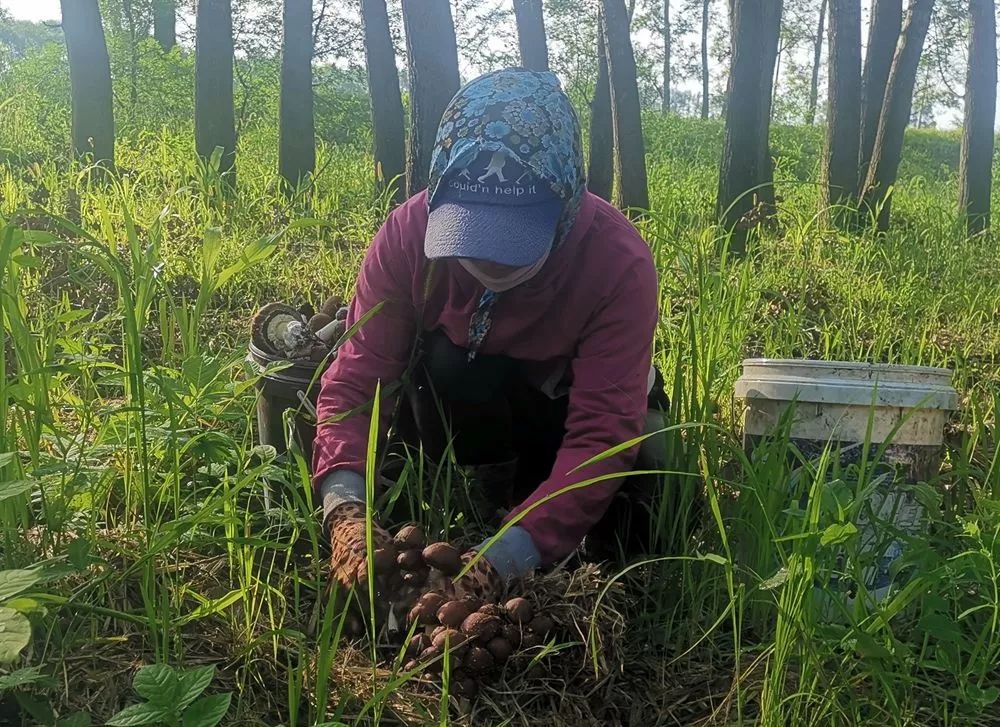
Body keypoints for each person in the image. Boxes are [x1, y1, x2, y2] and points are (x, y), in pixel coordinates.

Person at [314, 68, 666, 605]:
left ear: (566, 202)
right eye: (470, 233)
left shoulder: (616, 264)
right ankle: (488, 485)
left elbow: (603, 431)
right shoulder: (408, 235)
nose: (487, 258)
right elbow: (359, 376)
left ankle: (529, 502)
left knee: (629, 529)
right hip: (468, 393)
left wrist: (504, 561)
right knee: (451, 363)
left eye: (512, 238)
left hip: (562, 405)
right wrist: (344, 509)